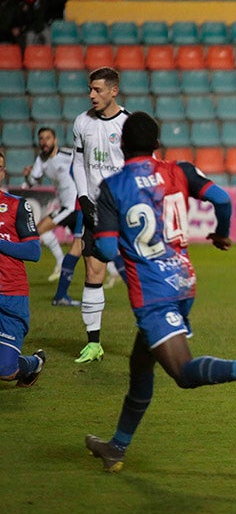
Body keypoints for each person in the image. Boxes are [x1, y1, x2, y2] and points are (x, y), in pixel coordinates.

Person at [84, 112, 236, 473]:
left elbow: (108, 252)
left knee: (182, 372)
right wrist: (221, 233)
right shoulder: (181, 171)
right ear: (157, 143)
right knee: (140, 366)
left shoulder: (112, 187)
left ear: (122, 144)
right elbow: (222, 200)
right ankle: (117, 446)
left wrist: (94, 231)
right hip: (183, 283)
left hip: (154, 294)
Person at [72, 68, 130, 364]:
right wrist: (83, 197)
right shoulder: (82, 122)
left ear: (113, 91)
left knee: (141, 275)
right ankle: (93, 343)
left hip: (125, 211)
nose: (92, 95)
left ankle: (161, 336)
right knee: (93, 271)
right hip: (95, 209)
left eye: (97, 90)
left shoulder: (129, 125)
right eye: (90, 89)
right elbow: (79, 164)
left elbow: (143, 166)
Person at [0, 150, 46, 389]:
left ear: (3, 172)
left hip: (11, 295)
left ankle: (34, 363)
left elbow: (33, 252)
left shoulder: (17, 206)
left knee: (6, 371)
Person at [22, 127, 85, 300]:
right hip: (67, 206)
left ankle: (59, 265)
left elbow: (84, 162)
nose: (44, 141)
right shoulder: (40, 160)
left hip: (72, 207)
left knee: (37, 230)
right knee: (86, 248)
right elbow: (32, 181)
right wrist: (28, 176)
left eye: (48, 138)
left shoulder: (66, 154)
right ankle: (116, 270)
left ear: (55, 140)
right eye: (41, 138)